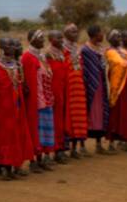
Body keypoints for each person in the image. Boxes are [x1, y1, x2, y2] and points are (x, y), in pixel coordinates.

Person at [0, 37, 31, 178]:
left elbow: (19, 84)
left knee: (16, 134)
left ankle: (13, 166)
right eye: (8, 45)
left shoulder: (16, 64)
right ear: (2, 47)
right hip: (2, 108)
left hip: (16, 105)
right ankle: (0, 168)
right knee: (4, 137)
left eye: (13, 45)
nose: (12, 47)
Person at [21, 29, 56, 170]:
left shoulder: (41, 56)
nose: (43, 40)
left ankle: (42, 159)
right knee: (35, 130)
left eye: (43, 38)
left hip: (46, 99)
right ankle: (34, 160)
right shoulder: (28, 57)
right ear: (32, 40)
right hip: (35, 102)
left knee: (44, 131)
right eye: (40, 38)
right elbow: (28, 83)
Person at [105, 30, 127, 152]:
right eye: (115, 36)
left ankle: (126, 141)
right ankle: (111, 143)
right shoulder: (109, 52)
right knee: (116, 114)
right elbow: (119, 65)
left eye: (119, 36)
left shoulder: (124, 52)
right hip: (116, 88)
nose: (119, 38)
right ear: (110, 39)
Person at [61, 24, 90, 157]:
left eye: (76, 31)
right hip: (68, 88)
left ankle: (77, 147)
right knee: (70, 117)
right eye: (72, 31)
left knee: (79, 117)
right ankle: (69, 148)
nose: (75, 33)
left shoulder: (77, 49)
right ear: (65, 33)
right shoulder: (61, 50)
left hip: (79, 87)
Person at [81, 25, 112, 153]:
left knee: (100, 114)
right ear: (95, 34)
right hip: (90, 87)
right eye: (101, 33)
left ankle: (99, 144)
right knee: (87, 114)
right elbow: (84, 70)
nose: (103, 35)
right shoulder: (85, 50)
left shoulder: (101, 49)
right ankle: (81, 146)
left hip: (101, 86)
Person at [45, 29, 72, 164]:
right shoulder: (48, 55)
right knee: (54, 121)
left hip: (63, 91)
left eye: (62, 38)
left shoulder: (61, 53)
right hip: (53, 93)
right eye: (58, 38)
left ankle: (60, 149)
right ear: (50, 39)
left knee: (61, 120)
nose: (61, 40)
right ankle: (54, 150)